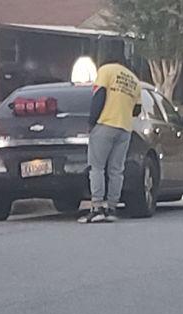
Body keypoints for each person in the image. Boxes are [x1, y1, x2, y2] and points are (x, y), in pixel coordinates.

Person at [78, 53, 142, 223]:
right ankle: (112, 208)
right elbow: (137, 110)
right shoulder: (134, 81)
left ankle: (97, 206)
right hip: (125, 128)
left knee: (97, 167)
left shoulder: (106, 71)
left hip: (105, 124)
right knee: (116, 169)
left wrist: (91, 122)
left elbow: (99, 97)